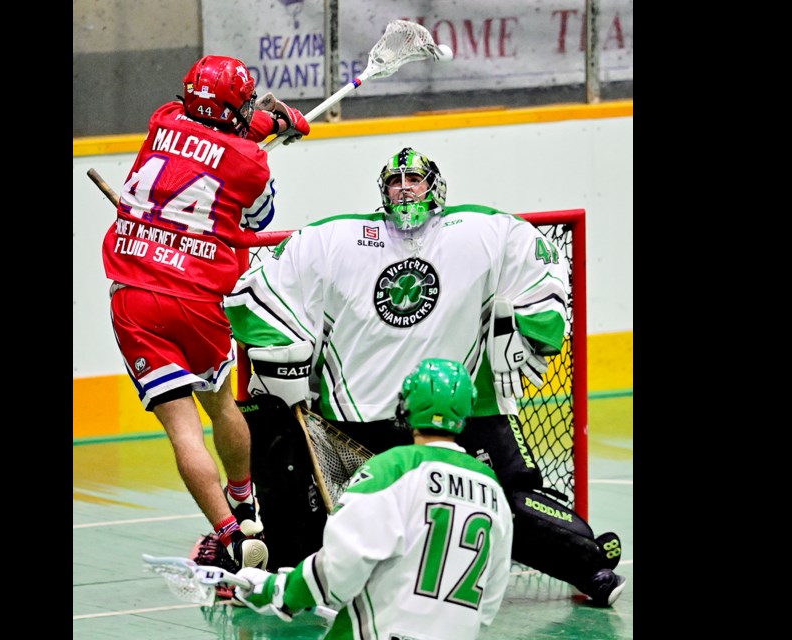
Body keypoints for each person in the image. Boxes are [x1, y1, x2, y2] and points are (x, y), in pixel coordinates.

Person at [224, 147, 625, 606]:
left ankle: (589, 563)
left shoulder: (477, 231)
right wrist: (287, 362)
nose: (404, 188)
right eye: (395, 182)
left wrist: (535, 326)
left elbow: (541, 256)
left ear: (435, 187)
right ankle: (276, 567)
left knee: (509, 506)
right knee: (290, 458)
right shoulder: (337, 238)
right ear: (382, 192)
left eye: (414, 179)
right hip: (354, 423)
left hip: (453, 413)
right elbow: (255, 288)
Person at [100, 54, 310, 574]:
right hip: (197, 301)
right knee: (220, 406)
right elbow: (259, 215)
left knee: (182, 431)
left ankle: (233, 537)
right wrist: (272, 127)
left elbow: (203, 125)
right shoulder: (250, 162)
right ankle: (246, 505)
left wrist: (263, 123)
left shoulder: (162, 120)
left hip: (136, 295)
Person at [232, 358, 513, 638]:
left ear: (406, 404)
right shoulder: (492, 488)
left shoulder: (390, 470)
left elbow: (338, 569)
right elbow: (488, 603)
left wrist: (273, 589)